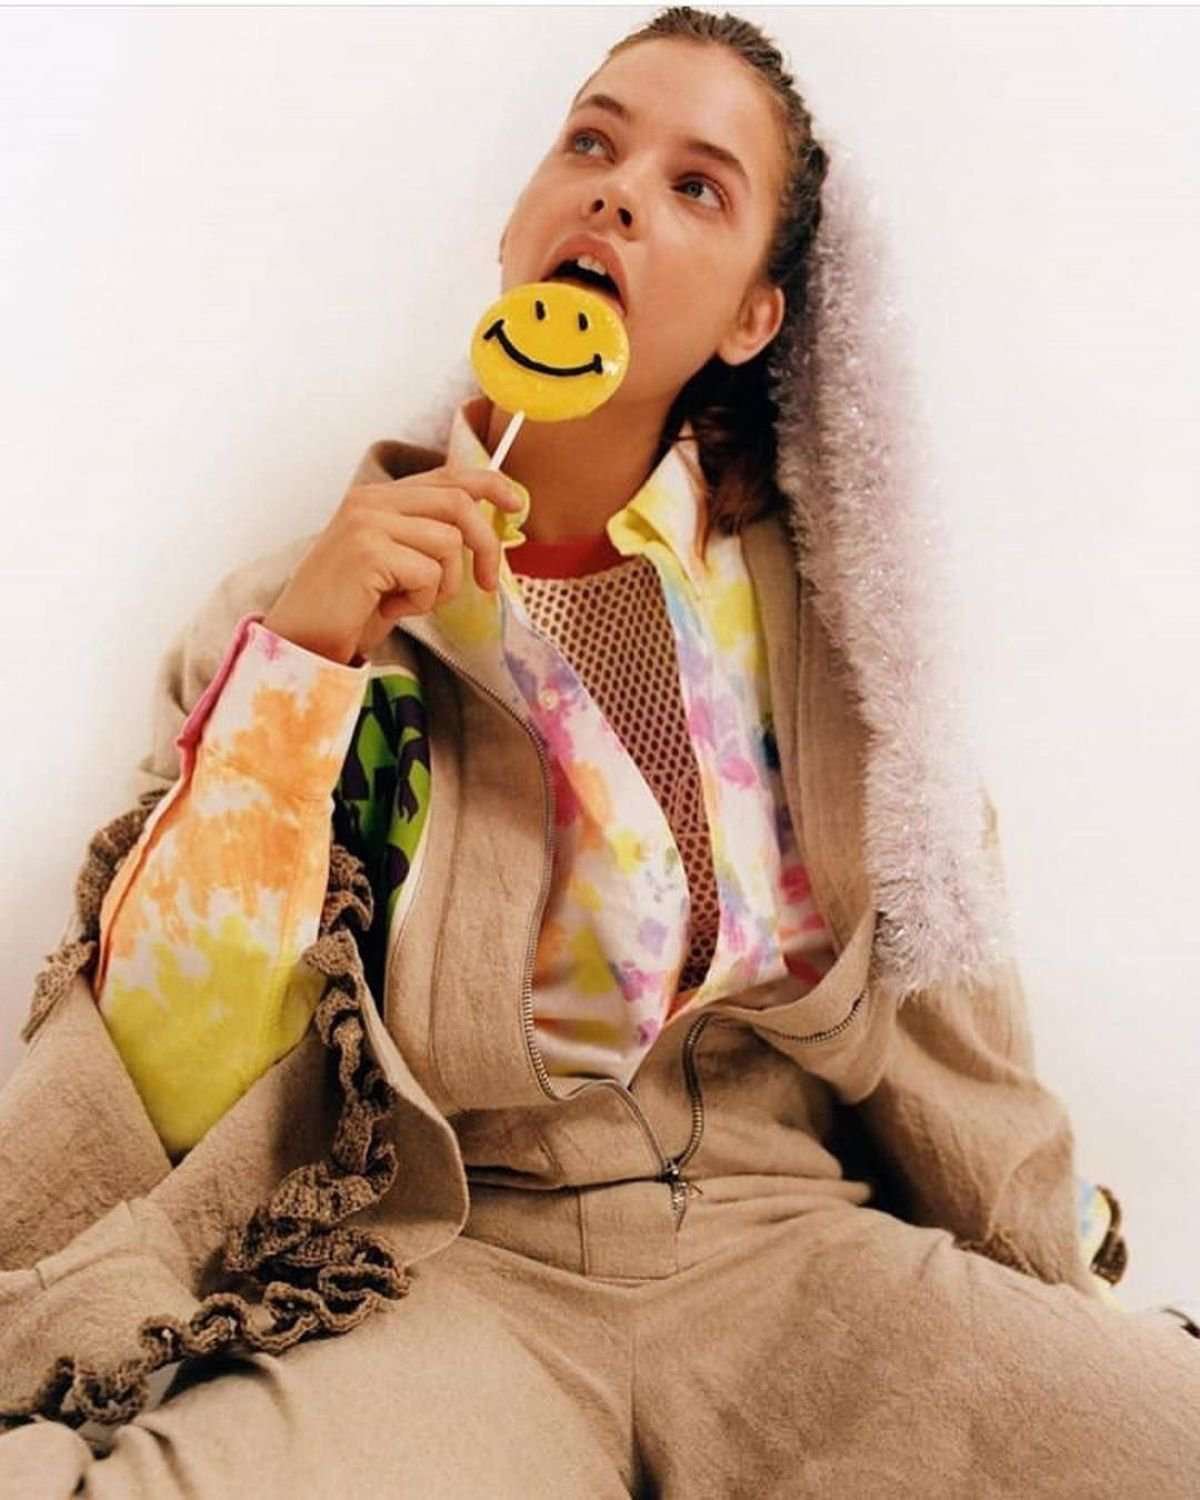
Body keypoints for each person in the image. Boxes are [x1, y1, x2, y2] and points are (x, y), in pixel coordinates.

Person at [1, 6, 1197, 1496]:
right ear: (517, 233)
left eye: (697, 186)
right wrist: (302, 672)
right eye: (590, 142)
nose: (619, 192)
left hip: (786, 1250)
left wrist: (1050, 1276)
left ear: (753, 318)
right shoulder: (298, 613)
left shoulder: (841, 626)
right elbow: (169, 1054)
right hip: (454, 1270)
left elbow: (952, 1007)